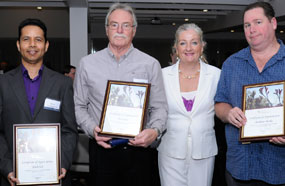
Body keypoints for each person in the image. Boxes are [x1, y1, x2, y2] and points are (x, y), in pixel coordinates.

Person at [74, 3, 167, 186]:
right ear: (107, 29)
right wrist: (92, 129)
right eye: (114, 24)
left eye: (126, 25)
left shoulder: (150, 64)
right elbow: (78, 105)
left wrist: (154, 131)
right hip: (101, 149)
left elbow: (160, 107)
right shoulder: (87, 64)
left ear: (133, 30)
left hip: (139, 151)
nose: (119, 30)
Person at [214, 2, 285, 186]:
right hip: (241, 167)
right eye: (247, 25)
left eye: (258, 22)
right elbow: (220, 103)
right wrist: (228, 113)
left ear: (274, 23)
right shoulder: (231, 64)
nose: (251, 29)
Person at [0, 18, 78, 186]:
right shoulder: (3, 83)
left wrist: (62, 164)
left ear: (46, 45)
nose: (32, 44)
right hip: (13, 176)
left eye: (38, 39)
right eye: (26, 39)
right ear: (18, 45)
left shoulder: (62, 84)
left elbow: (69, 130)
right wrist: (7, 168)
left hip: (54, 174)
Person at [157, 23, 220, 186]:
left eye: (194, 42)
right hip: (170, 150)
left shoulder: (216, 75)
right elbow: (154, 110)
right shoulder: (162, 76)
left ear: (202, 46)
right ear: (176, 48)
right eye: (183, 43)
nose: (188, 48)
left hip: (204, 151)